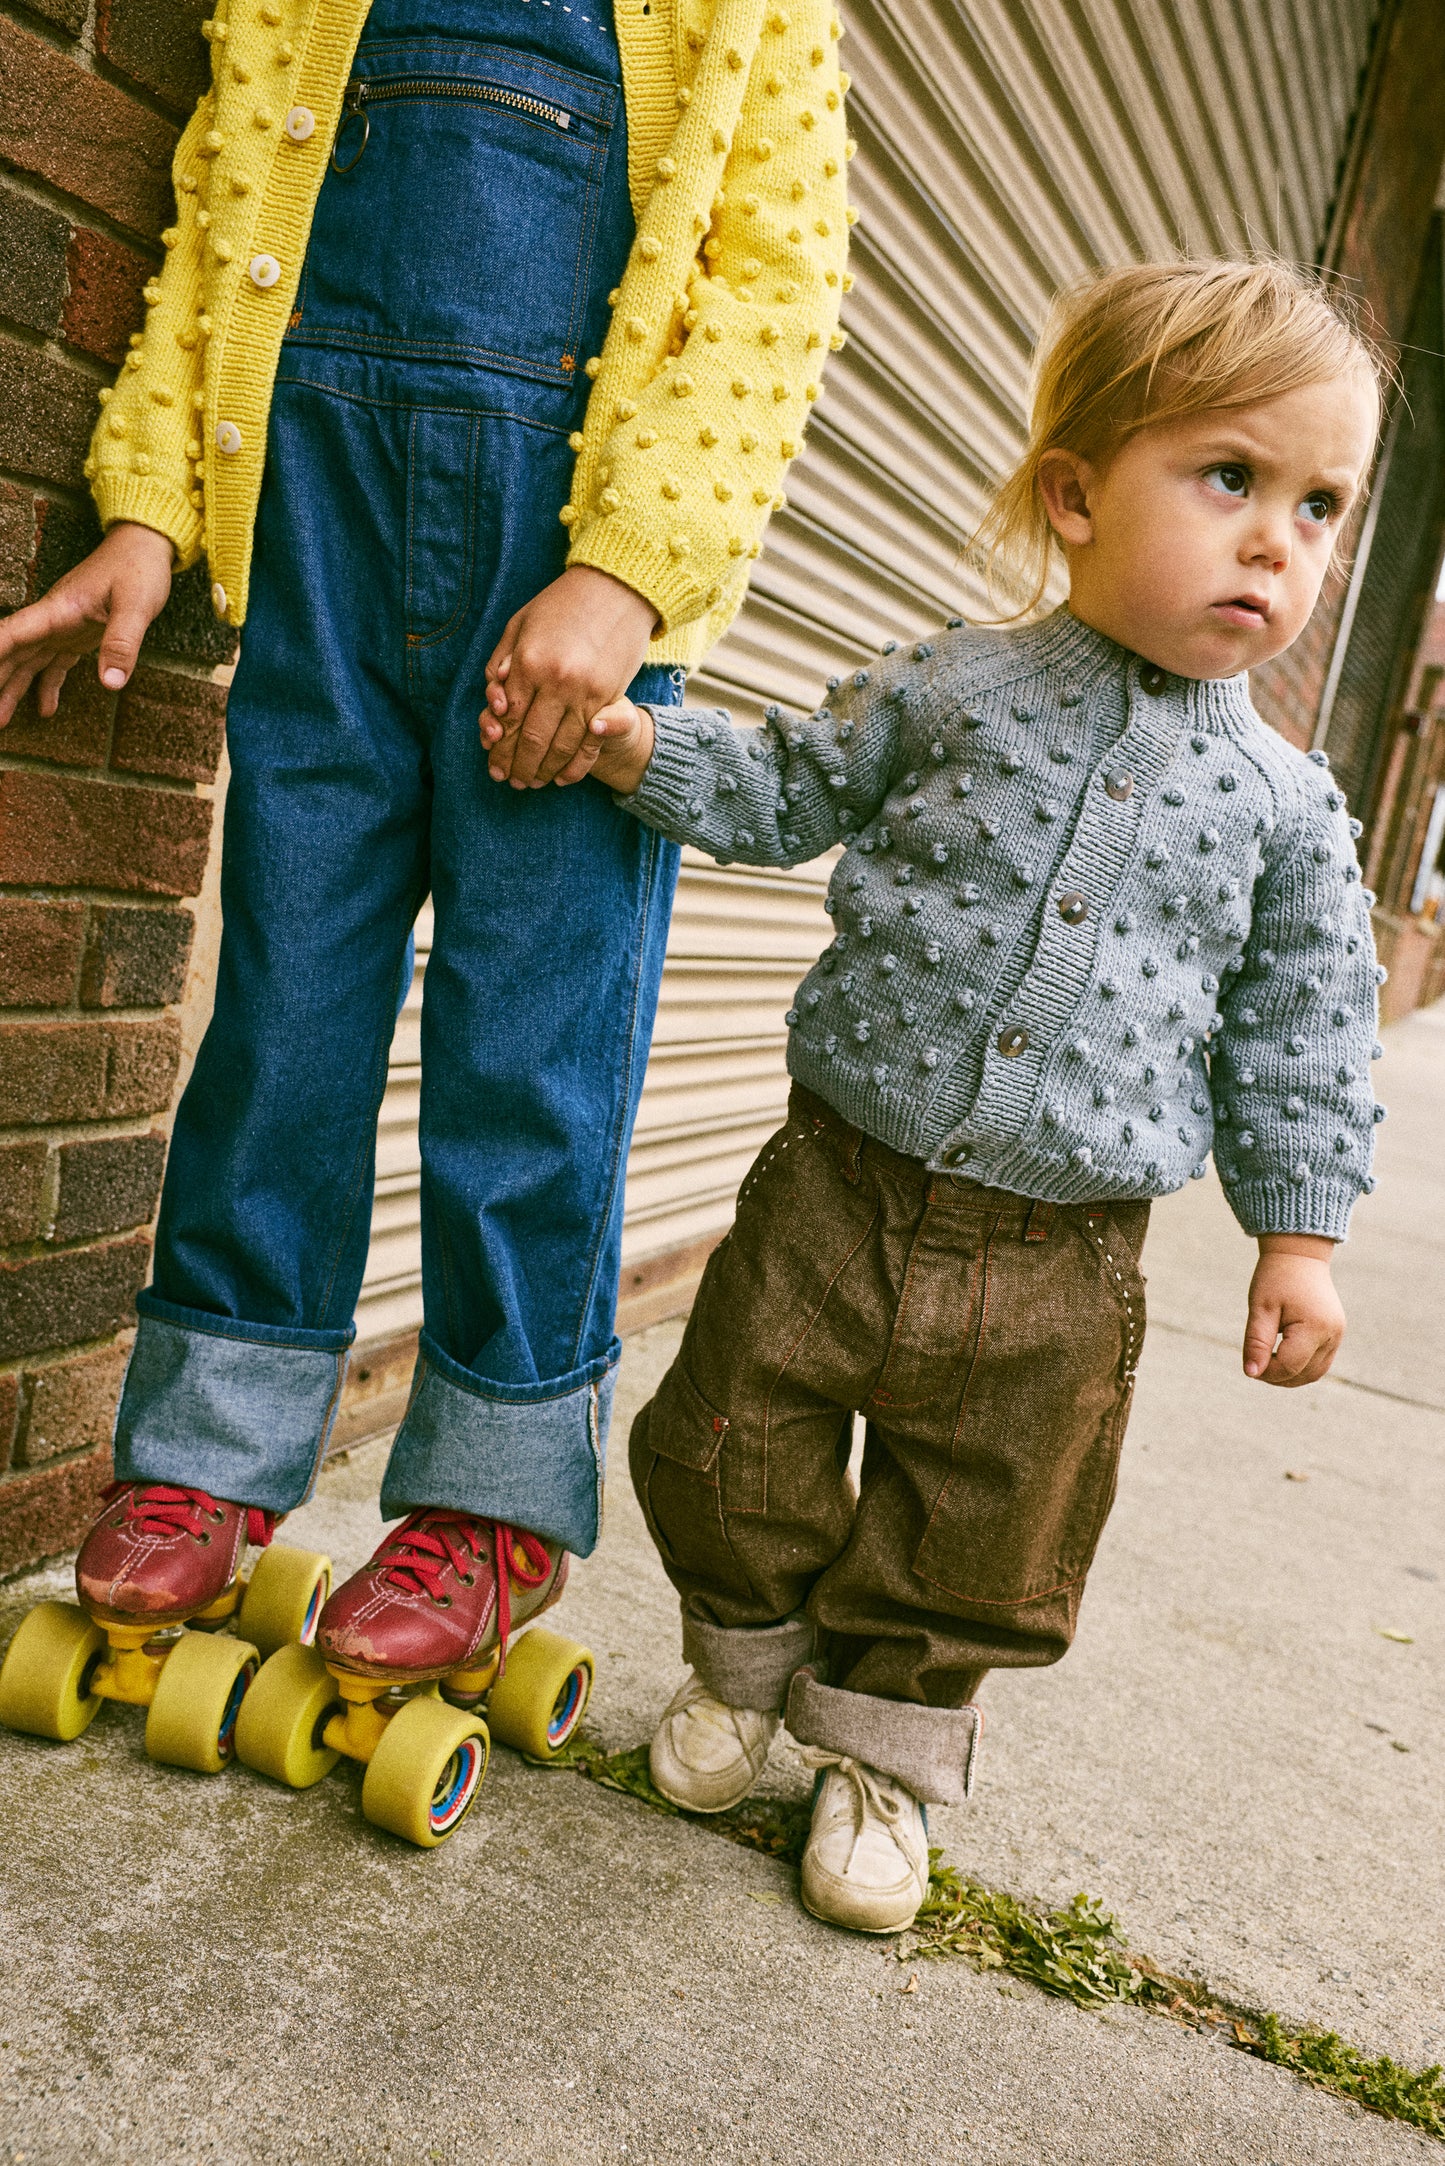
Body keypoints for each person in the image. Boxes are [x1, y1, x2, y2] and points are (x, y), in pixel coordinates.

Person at [0, 0, 852, 1688]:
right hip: (318, 531)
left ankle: (489, 1496)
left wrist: (625, 577)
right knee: (283, 1013)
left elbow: (769, 284)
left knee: (527, 1049)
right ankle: (207, 1456)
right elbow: (214, 215)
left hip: (568, 583)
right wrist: (148, 508)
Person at [558, 258, 1389, 1934]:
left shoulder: (1286, 807)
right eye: (1229, 478)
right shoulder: (951, 687)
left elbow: (1302, 1024)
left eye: (1318, 507)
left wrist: (1296, 1236)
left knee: (986, 1527)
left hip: (1063, 1255)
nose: (1274, 542)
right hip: (835, 1186)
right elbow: (794, 784)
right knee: (729, 1438)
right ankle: (744, 1669)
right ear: (1075, 496)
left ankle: (881, 1750)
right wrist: (646, 749)